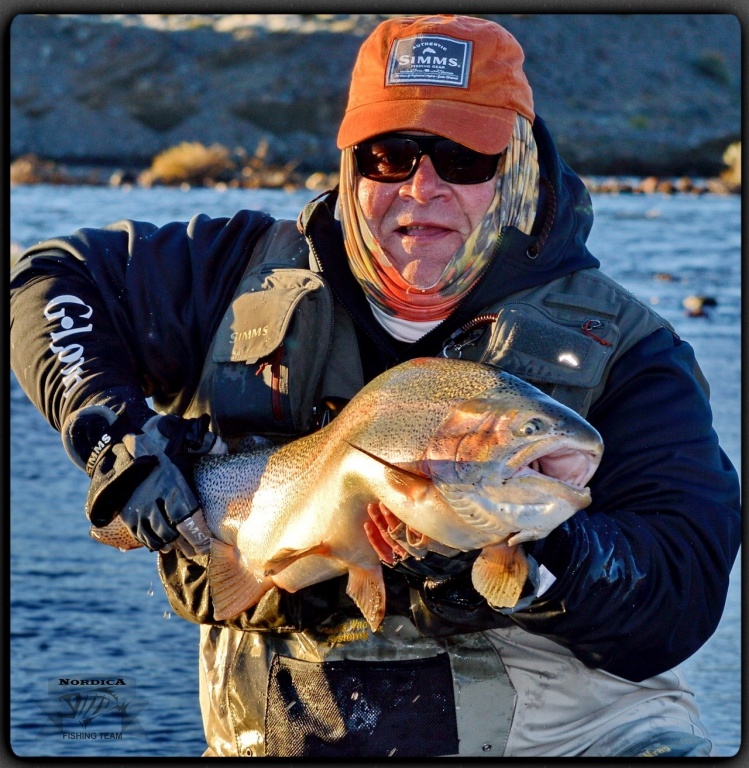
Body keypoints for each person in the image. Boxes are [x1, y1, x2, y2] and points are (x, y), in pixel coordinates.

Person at [10, 14, 740, 759]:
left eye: (461, 159)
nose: (421, 188)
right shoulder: (228, 274)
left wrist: (527, 555)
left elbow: (681, 592)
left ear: (514, 163)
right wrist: (114, 436)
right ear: (350, 164)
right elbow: (50, 279)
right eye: (390, 156)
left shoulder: (627, 348)